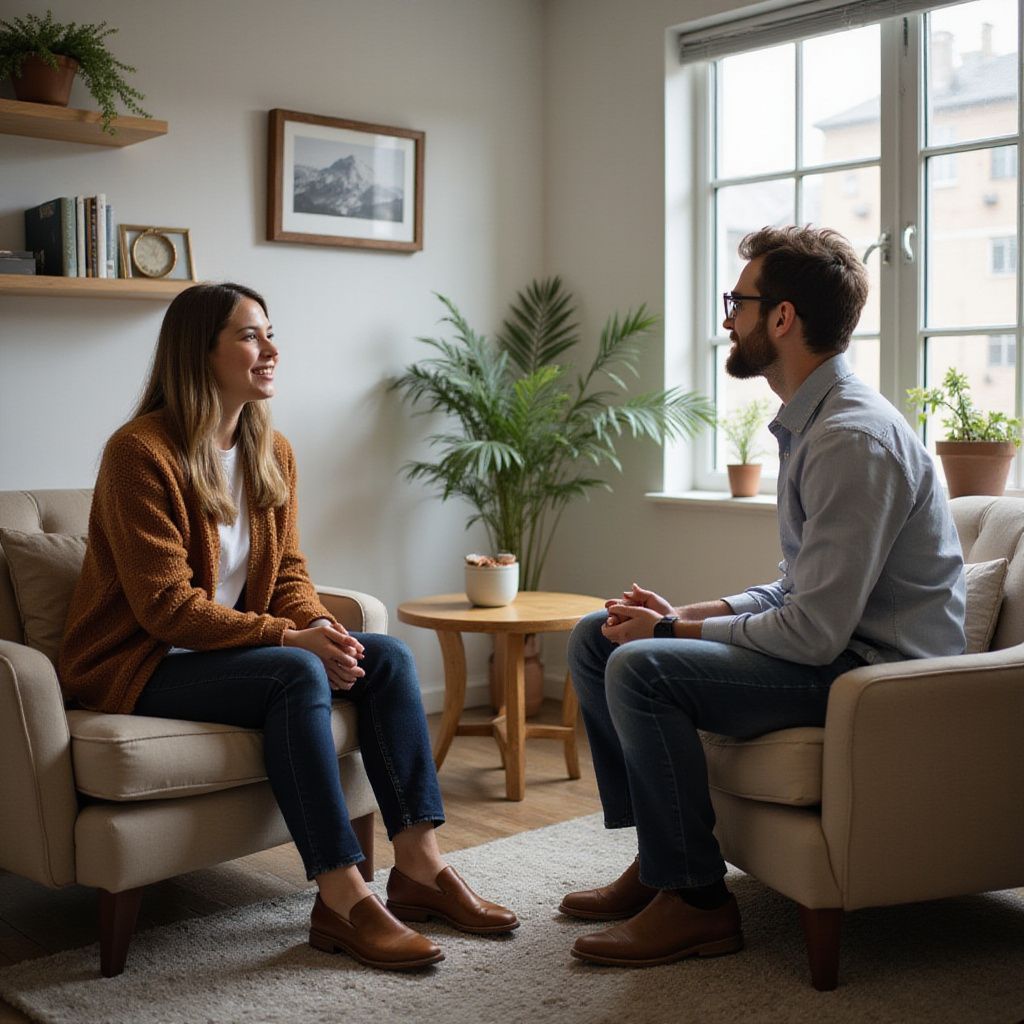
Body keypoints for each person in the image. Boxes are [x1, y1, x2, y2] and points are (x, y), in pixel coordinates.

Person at [59, 282, 517, 972]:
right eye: (250, 336)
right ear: (199, 352)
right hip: (140, 662)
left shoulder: (271, 451)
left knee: (384, 656)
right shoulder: (139, 453)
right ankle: (340, 895)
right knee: (294, 669)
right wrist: (288, 639)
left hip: (228, 654)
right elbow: (164, 608)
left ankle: (421, 870)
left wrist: (327, 631)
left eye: (270, 333)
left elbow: (290, 575)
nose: (271, 349)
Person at [560, 226, 966, 968]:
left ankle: (697, 904)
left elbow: (811, 633)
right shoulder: (814, 424)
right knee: (599, 635)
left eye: (738, 302)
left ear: (781, 318)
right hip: (836, 649)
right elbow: (796, 585)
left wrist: (672, 635)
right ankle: (661, 863)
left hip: (876, 680)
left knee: (640, 666)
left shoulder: (852, 438)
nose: (727, 319)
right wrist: (691, 614)